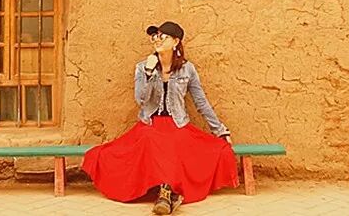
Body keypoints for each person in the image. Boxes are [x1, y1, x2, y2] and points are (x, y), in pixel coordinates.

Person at [81, 21, 238, 214]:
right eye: (154, 36)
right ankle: (167, 193)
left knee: (182, 143)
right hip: (150, 125)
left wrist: (220, 130)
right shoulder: (142, 67)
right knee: (144, 142)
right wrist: (148, 72)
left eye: (162, 36)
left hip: (178, 124)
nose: (157, 40)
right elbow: (141, 99)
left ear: (175, 41)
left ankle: (166, 193)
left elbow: (201, 102)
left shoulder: (187, 69)